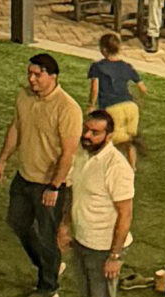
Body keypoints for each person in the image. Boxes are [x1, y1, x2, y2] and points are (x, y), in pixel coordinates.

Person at [0, 52, 83, 295]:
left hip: (48, 184)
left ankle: (48, 286)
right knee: (17, 222)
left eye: (37, 74)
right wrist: (3, 159)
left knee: (47, 237)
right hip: (24, 177)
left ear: (53, 76)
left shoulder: (67, 108)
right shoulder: (23, 97)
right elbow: (16, 128)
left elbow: (68, 153)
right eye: (30, 74)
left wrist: (54, 186)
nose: (32, 79)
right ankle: (48, 266)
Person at [58, 109, 135, 297]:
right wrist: (65, 225)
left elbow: (125, 214)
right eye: (86, 129)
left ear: (108, 136)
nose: (86, 135)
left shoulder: (116, 167)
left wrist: (114, 256)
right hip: (82, 240)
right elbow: (74, 192)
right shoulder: (82, 154)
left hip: (103, 247)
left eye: (94, 133)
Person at [87, 33, 145, 160]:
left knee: (107, 141)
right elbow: (142, 87)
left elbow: (95, 89)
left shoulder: (97, 67)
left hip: (112, 107)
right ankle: (132, 168)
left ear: (103, 49)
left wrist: (91, 105)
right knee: (130, 141)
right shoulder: (126, 66)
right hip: (131, 107)